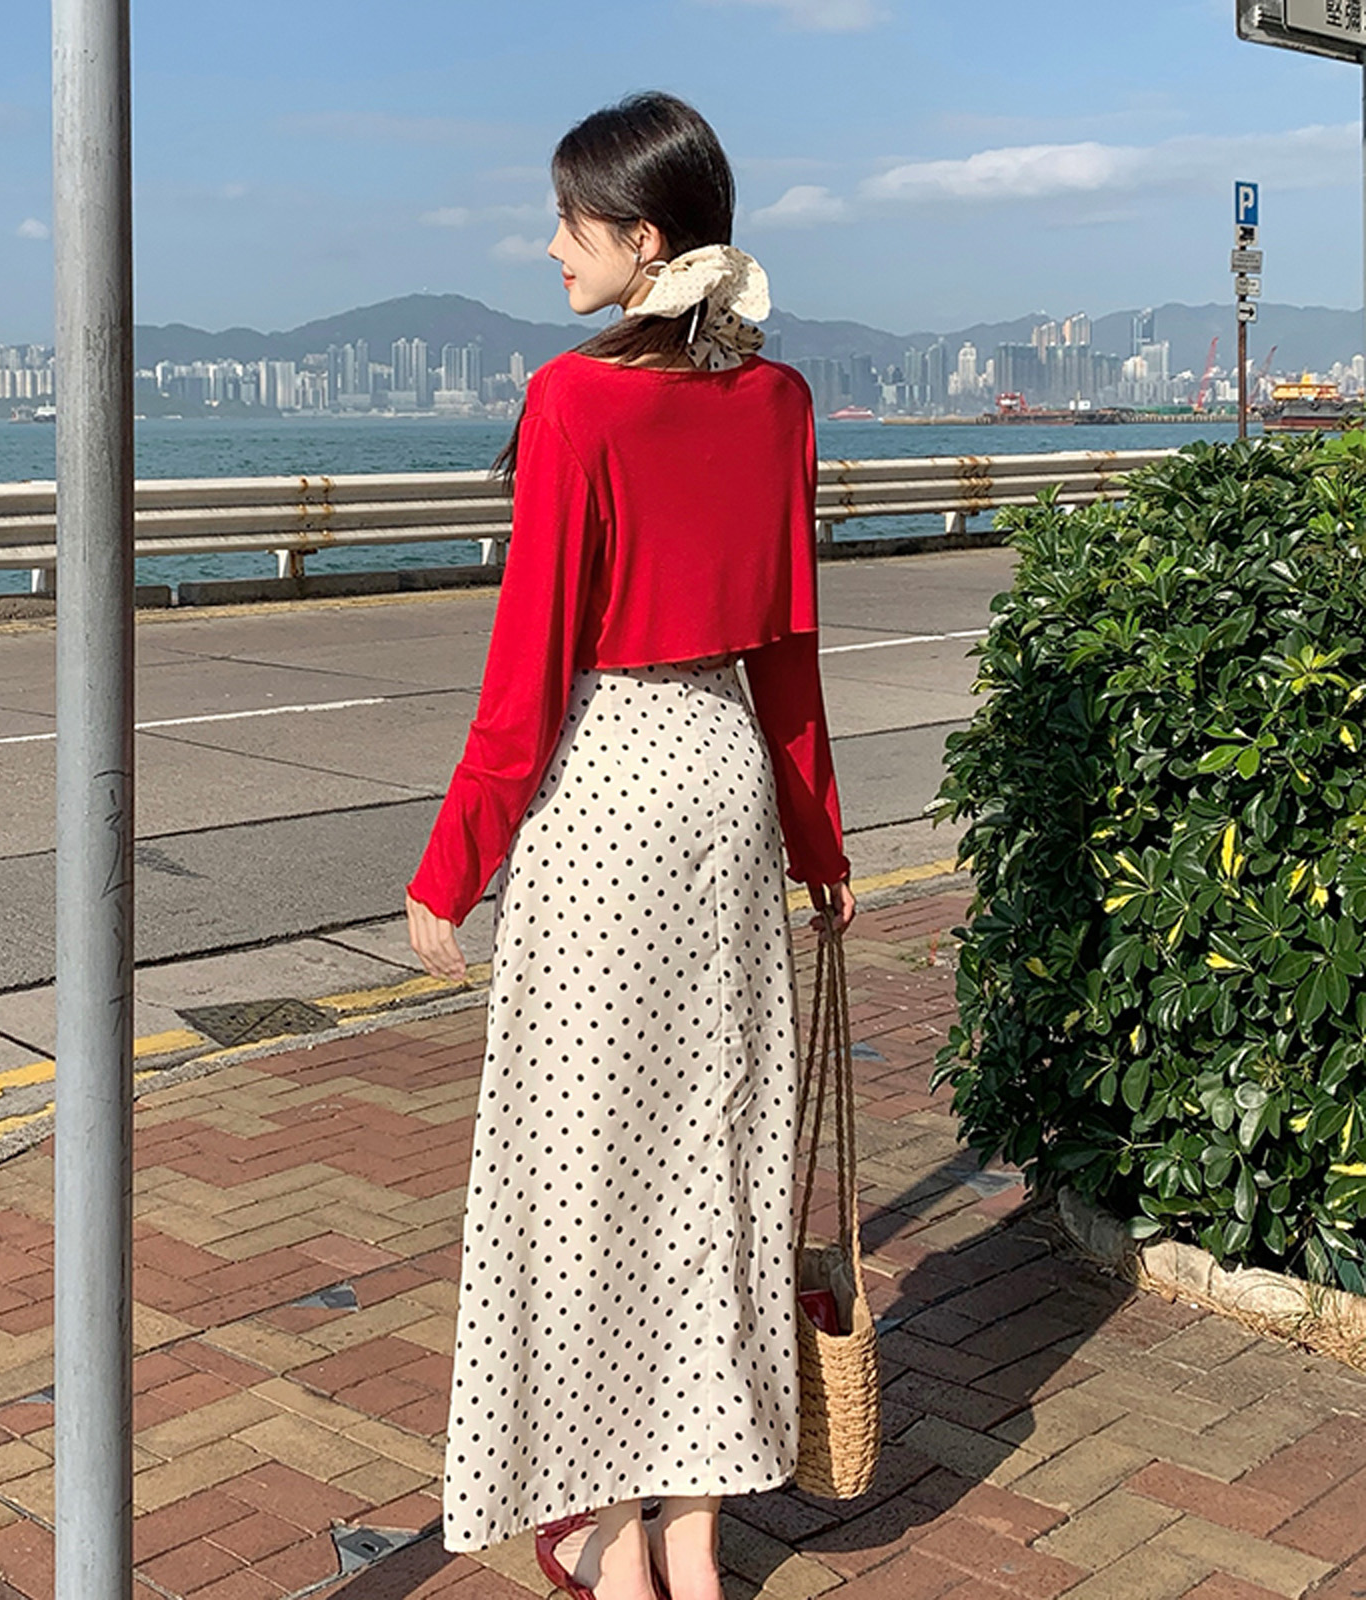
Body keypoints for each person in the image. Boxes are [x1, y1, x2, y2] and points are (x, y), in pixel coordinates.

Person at [403, 90, 856, 1600]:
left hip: (604, 796)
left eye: (570, 221)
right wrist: (820, 842)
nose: (551, 248)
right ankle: (697, 1541)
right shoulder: (779, 401)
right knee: (720, 1161)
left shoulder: (574, 402)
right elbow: (788, 651)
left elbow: (528, 670)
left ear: (644, 239)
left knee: (582, 1167)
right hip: (725, 787)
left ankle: (605, 1529)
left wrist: (453, 864)